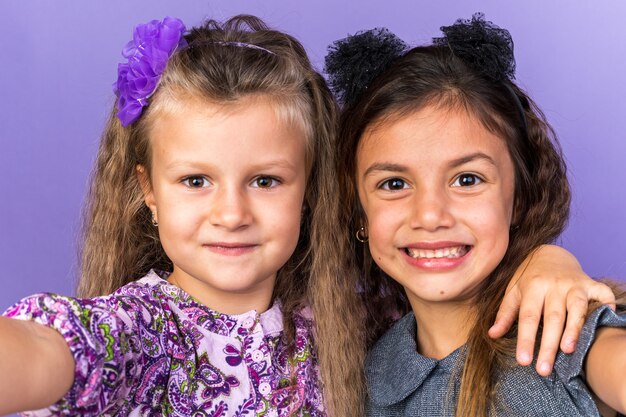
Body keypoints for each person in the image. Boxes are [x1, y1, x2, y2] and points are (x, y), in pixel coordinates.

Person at [0, 13, 616, 417]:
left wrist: (545, 258)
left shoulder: (347, 323)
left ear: (313, 192)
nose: (232, 213)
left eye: (265, 180)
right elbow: (42, 350)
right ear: (149, 192)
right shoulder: (134, 333)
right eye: (195, 181)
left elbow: (451, 301)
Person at [327, 13, 626, 416]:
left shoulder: (567, 339)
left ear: (520, 197)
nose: (430, 215)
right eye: (395, 184)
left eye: (467, 179)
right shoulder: (359, 372)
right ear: (359, 213)